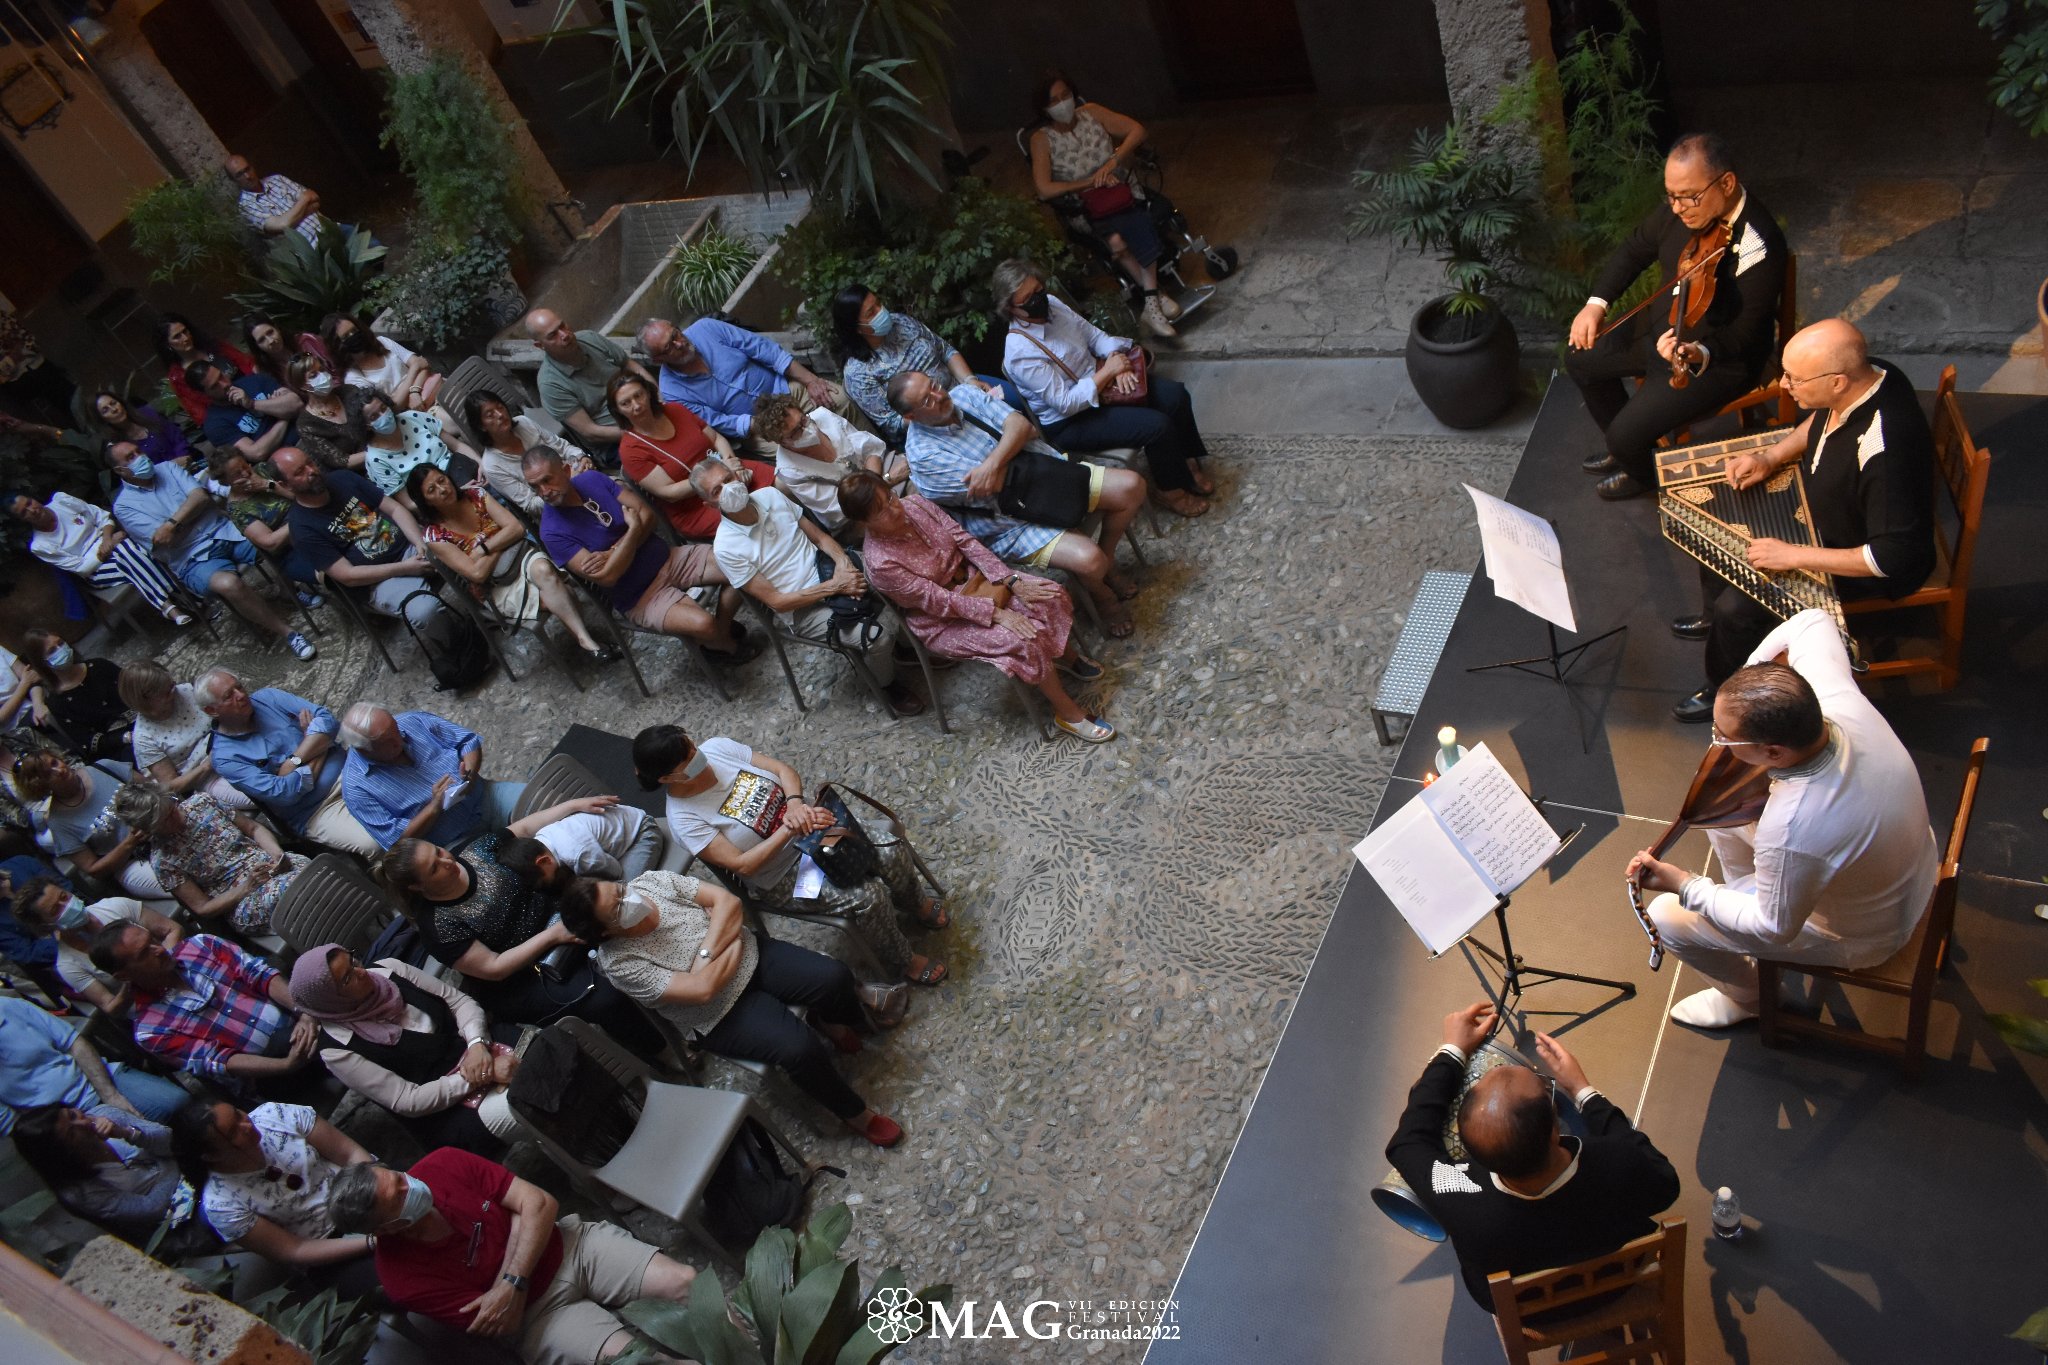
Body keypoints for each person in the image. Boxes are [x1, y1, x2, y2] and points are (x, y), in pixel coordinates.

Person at [1631, 608, 1941, 1028]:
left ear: (1774, 752)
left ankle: (1751, 1000)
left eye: (1723, 737)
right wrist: (1749, 683)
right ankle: (1747, 896)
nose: (1717, 743)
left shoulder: (1793, 828)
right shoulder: (1830, 695)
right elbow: (1812, 620)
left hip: (1868, 933)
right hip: (1908, 866)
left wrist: (1685, 885)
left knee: (1668, 917)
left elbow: (1774, 927)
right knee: (1722, 818)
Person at [1667, 318, 1936, 721]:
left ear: (1838, 381)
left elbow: (1891, 557)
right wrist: (1770, 456)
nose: (1784, 385)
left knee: (1737, 609)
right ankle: (1716, 625)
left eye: (1795, 379)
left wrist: (1793, 555)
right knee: (1719, 527)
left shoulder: (1886, 451)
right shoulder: (1874, 373)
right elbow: (1822, 418)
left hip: (1853, 554)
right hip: (1819, 518)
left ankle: (1724, 688)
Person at [559, 871, 908, 1146]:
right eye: (617, 908)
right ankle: (856, 1115)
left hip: (754, 956)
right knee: (799, 1049)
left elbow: (727, 902)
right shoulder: (620, 963)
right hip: (719, 1013)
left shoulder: (652, 882)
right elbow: (702, 991)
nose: (629, 897)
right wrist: (730, 935)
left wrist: (707, 954)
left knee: (834, 976)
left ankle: (832, 1022)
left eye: (619, 890)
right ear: (604, 932)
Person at [1386, 1001, 1681, 1312]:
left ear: (1472, 1154)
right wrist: (1583, 1091)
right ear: (1555, 1129)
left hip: (1530, 1311)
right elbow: (1666, 1187)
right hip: (1618, 1284)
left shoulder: (1456, 1194)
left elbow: (1407, 1143)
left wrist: (1452, 1051)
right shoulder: (1617, 1161)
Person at [1565, 132, 1789, 502]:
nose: (1677, 208)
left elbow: (1746, 332)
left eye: (1688, 196)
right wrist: (1596, 304)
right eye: (1671, 195)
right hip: (1661, 325)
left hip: (1716, 359)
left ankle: (1642, 471)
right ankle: (1632, 451)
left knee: (1623, 436)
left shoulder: (1758, 242)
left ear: (1726, 183)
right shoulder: (1681, 210)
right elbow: (1635, 249)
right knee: (1579, 358)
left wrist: (1699, 351)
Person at [633, 724, 947, 987]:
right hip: (786, 874)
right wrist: (788, 828)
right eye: (687, 759)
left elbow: (782, 770)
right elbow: (743, 864)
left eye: (691, 745)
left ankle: (914, 903)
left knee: (889, 851)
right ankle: (902, 960)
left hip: (816, 829)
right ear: (667, 778)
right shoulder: (684, 819)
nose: (697, 755)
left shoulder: (717, 748)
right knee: (869, 897)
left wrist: (795, 804)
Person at [326, 1149, 698, 1364]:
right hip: (540, 1317)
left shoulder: (442, 1163)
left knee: (687, 1284)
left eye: (398, 1177)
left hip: (572, 1247)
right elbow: (502, 1321)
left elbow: (542, 1203)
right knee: (641, 1362)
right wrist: (521, 1223)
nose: (411, 1185)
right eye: (398, 1197)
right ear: (385, 1229)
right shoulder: (402, 1280)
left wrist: (509, 1282)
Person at [840, 471, 1113, 741]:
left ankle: (1063, 656)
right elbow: (936, 600)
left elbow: (965, 541)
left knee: (1048, 596)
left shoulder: (916, 504)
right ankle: (1067, 713)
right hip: (942, 619)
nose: (894, 508)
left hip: (977, 580)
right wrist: (995, 614)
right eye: (881, 511)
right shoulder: (881, 562)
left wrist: (1010, 579)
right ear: (864, 523)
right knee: (1024, 639)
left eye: (890, 497)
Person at [368, 819, 665, 1054]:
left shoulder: (474, 850)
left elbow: (522, 828)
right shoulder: (437, 927)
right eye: (434, 868)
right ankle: (659, 1050)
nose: (447, 861)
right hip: (522, 976)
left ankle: (671, 1001)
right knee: (605, 997)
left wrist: (576, 804)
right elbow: (494, 967)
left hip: (556, 920)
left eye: (438, 851)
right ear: (418, 887)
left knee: (628, 934)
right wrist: (552, 936)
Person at [888, 369, 1145, 637]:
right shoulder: (923, 457)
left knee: (1132, 487)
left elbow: (1024, 427)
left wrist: (991, 464)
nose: (939, 396)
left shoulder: (963, 394)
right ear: (910, 417)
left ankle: (1108, 562)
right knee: (1090, 560)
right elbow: (996, 485)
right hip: (1011, 522)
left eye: (934, 385)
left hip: (1049, 474)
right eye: (927, 400)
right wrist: (1011, 446)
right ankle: (1103, 596)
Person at [693, 459, 924, 716]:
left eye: (728, 479)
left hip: (827, 567)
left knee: (897, 580)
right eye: (717, 490)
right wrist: (834, 587)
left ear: (738, 475)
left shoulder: (770, 495)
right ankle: (888, 687)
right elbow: (777, 601)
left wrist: (843, 564)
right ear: (709, 504)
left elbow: (820, 538)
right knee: (877, 638)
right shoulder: (726, 548)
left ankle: (905, 647)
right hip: (801, 607)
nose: (728, 488)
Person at [996, 257, 1214, 516]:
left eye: (1038, 290)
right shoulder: (1020, 352)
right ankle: (1170, 491)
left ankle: (1186, 462)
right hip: (1071, 420)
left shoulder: (1053, 305)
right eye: (1027, 299)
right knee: (1157, 426)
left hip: (1102, 380)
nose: (1038, 299)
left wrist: (1115, 359)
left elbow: (1094, 336)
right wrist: (1107, 373)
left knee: (1175, 396)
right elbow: (1065, 403)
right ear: (1011, 309)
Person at [523, 449, 752, 660]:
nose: (544, 492)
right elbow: (608, 577)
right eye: (535, 487)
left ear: (565, 470)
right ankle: (720, 641)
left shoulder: (591, 480)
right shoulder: (551, 532)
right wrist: (633, 530)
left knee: (743, 562)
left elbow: (648, 515)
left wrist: (613, 553)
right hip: (640, 596)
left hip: (669, 558)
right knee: (704, 624)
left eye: (547, 480)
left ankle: (720, 632)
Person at [292, 945, 517, 1155]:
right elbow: (408, 1099)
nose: (361, 972)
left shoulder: (389, 969)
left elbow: (458, 1002)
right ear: (330, 1000)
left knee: (537, 1056)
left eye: (352, 960)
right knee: (524, 1104)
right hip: (447, 1106)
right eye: (348, 978)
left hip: (474, 1045)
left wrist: (477, 1044)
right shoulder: (336, 1050)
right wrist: (481, 1074)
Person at [107, 440, 316, 661]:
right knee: (229, 584)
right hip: (191, 558)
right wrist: (189, 514)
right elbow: (164, 540)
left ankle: (289, 590)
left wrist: (172, 523)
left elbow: (200, 497)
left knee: (270, 539)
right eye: (130, 457)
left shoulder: (167, 468)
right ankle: (288, 633)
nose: (140, 457)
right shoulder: (123, 507)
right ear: (120, 470)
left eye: (138, 451)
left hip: (224, 529)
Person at [407, 463, 615, 661]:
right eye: (432, 490)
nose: (443, 489)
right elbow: (477, 574)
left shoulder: (475, 495)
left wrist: (484, 549)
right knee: (563, 593)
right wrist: (501, 539)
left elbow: (516, 528)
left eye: (442, 480)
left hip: (520, 557)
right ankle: (587, 640)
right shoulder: (435, 536)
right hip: (494, 587)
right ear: (426, 501)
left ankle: (586, 642)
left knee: (543, 569)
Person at [171, 1098, 379, 1296]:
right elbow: (294, 1250)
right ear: (211, 1156)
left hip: (363, 1194)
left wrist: (378, 1192)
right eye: (233, 1132)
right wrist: (371, 1242)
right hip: (328, 1247)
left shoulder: (274, 1115)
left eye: (238, 1114)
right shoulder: (221, 1205)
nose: (246, 1125)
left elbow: (349, 1154)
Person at [1027, 72, 1181, 338]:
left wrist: (1112, 162)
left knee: (1131, 226)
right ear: (1044, 108)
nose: (1062, 103)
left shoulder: (1092, 112)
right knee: (1118, 241)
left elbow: (1137, 130)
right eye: (1054, 100)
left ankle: (1152, 303)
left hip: (1119, 191)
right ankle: (1156, 297)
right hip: (1086, 205)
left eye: (1065, 95)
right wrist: (1089, 182)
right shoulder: (1041, 139)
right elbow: (1043, 188)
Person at [90, 926, 323, 1097]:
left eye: (153, 940)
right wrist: (286, 1065)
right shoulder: (151, 1030)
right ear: (124, 975)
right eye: (144, 953)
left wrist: (303, 1011)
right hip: (271, 1072)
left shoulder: (201, 946)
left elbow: (258, 974)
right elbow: (216, 1060)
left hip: (297, 1022)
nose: (158, 949)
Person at [198, 669, 380, 857]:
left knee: (399, 788)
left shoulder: (268, 698)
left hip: (350, 768)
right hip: (317, 809)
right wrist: (317, 742)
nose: (241, 695)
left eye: (239, 687)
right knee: (374, 842)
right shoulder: (225, 758)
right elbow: (284, 793)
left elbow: (328, 720)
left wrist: (294, 762)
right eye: (229, 696)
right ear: (212, 711)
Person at [272, 446, 450, 636]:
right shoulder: (301, 528)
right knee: (426, 611)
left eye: (309, 462)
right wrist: (405, 568)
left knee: (460, 551)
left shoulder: (342, 478)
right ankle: (457, 642)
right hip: (379, 581)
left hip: (408, 546)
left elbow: (394, 509)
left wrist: (419, 543)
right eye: (300, 472)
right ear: (286, 485)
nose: (311, 471)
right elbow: (348, 575)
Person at [637, 315, 861, 456]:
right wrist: (768, 423)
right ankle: (852, 485)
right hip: (758, 426)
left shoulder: (706, 328)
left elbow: (764, 349)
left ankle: (873, 451)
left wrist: (810, 380)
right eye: (669, 347)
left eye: (676, 334)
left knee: (838, 399)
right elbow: (717, 421)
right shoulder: (672, 390)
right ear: (658, 360)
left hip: (784, 388)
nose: (680, 343)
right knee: (802, 450)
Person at [111, 782, 305, 936]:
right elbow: (203, 907)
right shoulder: (163, 860)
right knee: (296, 887)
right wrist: (247, 886)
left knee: (313, 869)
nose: (175, 818)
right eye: (165, 821)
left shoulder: (202, 803)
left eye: (171, 809)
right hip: (241, 899)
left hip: (268, 865)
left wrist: (276, 854)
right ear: (150, 830)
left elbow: (253, 828)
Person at [832, 283, 1016, 444]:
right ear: (856, 328)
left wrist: (970, 380)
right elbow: (891, 424)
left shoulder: (901, 322)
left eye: (878, 303)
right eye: (871, 312)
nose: (881, 311)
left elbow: (945, 351)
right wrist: (942, 407)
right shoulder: (858, 373)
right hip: (932, 420)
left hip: (962, 386)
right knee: (998, 438)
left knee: (1018, 400)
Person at [609, 370, 775, 540]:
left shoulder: (675, 409)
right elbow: (669, 492)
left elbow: (716, 438)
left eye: (638, 395)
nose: (636, 405)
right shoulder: (630, 450)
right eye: (626, 403)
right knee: (761, 514)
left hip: (727, 473)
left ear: (648, 392)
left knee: (782, 484)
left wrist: (731, 464)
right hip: (696, 505)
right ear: (618, 410)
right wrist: (720, 475)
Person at [338, 703, 526, 850]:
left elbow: (468, 741)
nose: (400, 739)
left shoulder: (412, 721)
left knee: (540, 802)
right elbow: (397, 841)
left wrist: (469, 773)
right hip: (454, 840)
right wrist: (434, 807)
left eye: (395, 728)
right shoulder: (356, 790)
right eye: (389, 742)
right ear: (363, 749)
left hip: (486, 797)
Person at [10, 1103, 202, 1247]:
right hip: (174, 1215)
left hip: (190, 1170)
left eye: (73, 1115)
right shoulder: (80, 1192)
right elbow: (151, 1209)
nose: (83, 1123)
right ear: (62, 1153)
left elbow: (171, 1140)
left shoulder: (107, 1115)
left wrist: (128, 1133)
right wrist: (173, 1162)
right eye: (72, 1133)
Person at [0, 992, 190, 1135]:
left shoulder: (10, 1007)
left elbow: (74, 1043)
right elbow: (11, 1124)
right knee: (129, 1152)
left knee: (179, 1104)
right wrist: (74, 1127)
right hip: (58, 1120)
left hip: (95, 1081)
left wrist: (110, 1095)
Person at [7, 491, 191, 625]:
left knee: (126, 555)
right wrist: (109, 545)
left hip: (112, 543)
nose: (32, 510)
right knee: (128, 552)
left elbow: (102, 517)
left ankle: (169, 607)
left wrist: (107, 539)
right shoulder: (40, 546)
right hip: (97, 571)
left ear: (34, 498)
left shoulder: (62, 502)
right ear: (22, 520)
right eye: (24, 512)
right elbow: (81, 567)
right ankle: (183, 596)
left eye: (29, 502)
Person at [10, 873, 182, 1014]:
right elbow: (110, 1006)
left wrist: (165, 960)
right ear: (44, 926)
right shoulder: (67, 965)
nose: (66, 905)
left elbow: (172, 930)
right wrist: (132, 982)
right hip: (154, 1006)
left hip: (178, 970)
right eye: (56, 910)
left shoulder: (114, 906)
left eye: (64, 897)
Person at [12, 750, 167, 898]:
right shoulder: (59, 823)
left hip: (159, 826)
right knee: (173, 879)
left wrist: (151, 818)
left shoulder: (103, 767)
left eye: (54, 763)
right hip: (132, 862)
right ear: (41, 786)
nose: (59, 770)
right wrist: (130, 842)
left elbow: (156, 790)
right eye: (48, 774)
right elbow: (93, 869)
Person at [751, 389, 901, 534]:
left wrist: (880, 480)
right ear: (781, 442)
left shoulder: (823, 416)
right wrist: (887, 480)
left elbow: (869, 451)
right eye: (795, 432)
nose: (806, 429)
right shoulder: (790, 471)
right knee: (898, 513)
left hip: (877, 471)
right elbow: (843, 508)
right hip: (856, 517)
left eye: (803, 420)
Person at [119, 661, 249, 809]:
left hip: (231, 747)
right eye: (166, 691)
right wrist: (207, 765)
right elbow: (172, 787)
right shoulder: (144, 738)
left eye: (171, 684)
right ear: (147, 700)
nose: (174, 689)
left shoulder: (186, 691)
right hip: (206, 778)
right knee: (258, 793)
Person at [525, 308, 652, 456]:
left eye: (562, 326)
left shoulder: (590, 338)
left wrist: (658, 397)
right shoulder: (550, 385)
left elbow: (630, 365)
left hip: (644, 410)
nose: (564, 335)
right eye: (553, 335)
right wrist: (640, 434)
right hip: (616, 440)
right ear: (540, 345)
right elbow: (591, 432)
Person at [204, 448, 326, 594]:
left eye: (245, 466)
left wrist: (269, 485)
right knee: (331, 567)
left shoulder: (264, 470)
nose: (246, 473)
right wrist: (304, 516)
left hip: (315, 521)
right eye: (237, 474)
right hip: (292, 547)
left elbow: (309, 494)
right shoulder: (236, 509)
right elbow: (271, 543)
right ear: (225, 481)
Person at [468, 389, 589, 517]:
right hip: (557, 509)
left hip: (577, 477)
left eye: (500, 407)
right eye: (490, 415)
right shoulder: (492, 466)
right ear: (481, 426)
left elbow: (563, 447)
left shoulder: (524, 423)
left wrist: (581, 457)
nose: (500, 414)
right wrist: (566, 482)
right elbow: (531, 505)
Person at [361, 388, 480, 497]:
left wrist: (481, 464)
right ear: (366, 426)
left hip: (458, 468)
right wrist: (457, 491)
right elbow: (409, 503)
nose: (383, 416)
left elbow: (456, 445)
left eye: (383, 408)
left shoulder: (412, 417)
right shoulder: (375, 460)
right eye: (374, 417)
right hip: (435, 496)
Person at [187, 359, 301, 462]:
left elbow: (296, 404)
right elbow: (257, 453)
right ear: (204, 394)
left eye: (221, 376)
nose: (224, 384)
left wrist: (253, 404)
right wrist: (283, 418)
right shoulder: (214, 425)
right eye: (215, 386)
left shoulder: (255, 381)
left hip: (303, 434)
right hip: (282, 460)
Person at [323, 313, 439, 412]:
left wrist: (414, 392)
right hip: (413, 414)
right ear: (337, 345)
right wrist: (413, 369)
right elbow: (392, 407)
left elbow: (423, 364)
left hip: (429, 391)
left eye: (354, 330)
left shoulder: (382, 342)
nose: (353, 336)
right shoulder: (353, 378)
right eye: (346, 336)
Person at [155, 314, 254, 427]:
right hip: (234, 416)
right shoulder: (178, 376)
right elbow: (201, 413)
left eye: (185, 331)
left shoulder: (212, 346)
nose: (185, 338)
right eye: (177, 336)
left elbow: (245, 363)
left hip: (253, 389)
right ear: (167, 345)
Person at [286, 355, 370, 472]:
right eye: (313, 375)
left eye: (322, 369)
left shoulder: (349, 391)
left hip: (385, 446)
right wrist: (377, 453)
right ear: (302, 386)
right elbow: (340, 461)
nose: (322, 376)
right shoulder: (306, 425)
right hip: (360, 472)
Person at [226, 154, 327, 244]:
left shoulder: (277, 179)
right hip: (312, 248)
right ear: (234, 180)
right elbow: (283, 225)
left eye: (247, 169)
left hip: (328, 230)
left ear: (252, 167)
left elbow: (315, 199)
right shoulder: (246, 206)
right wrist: (304, 199)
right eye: (239, 174)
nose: (247, 176)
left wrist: (291, 221)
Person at [86, 389, 191, 471]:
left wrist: (183, 457)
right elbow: (138, 472)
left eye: (113, 403)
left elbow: (176, 437)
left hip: (188, 461)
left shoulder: (147, 413)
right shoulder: (117, 446)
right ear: (102, 419)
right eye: (105, 410)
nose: (114, 409)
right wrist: (171, 468)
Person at [241, 314, 331, 385]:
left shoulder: (306, 341)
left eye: (270, 332)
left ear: (277, 329)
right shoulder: (266, 371)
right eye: (262, 340)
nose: (271, 341)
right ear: (256, 346)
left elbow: (334, 365)